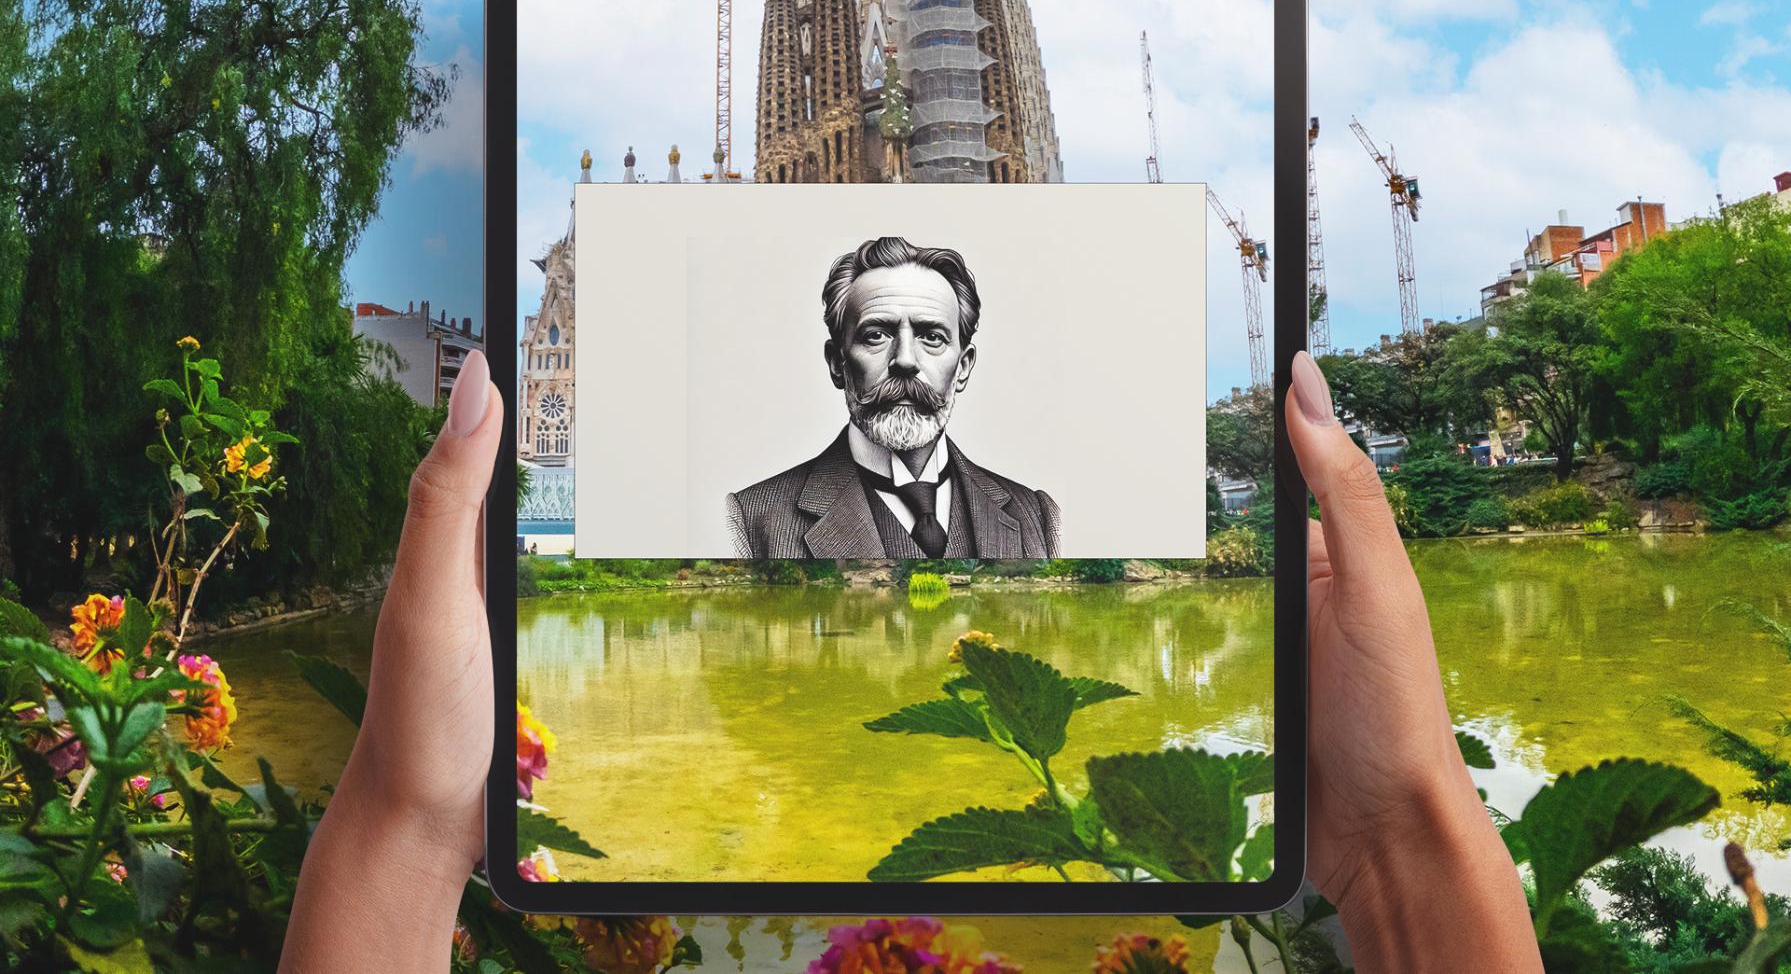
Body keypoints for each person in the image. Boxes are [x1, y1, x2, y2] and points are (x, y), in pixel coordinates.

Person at [279, 349, 1541, 972]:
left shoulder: (1035, 508)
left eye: (931, 339)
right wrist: (1402, 835)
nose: (903, 365)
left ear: (971, 364)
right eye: (872, 341)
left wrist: (411, 823)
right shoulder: (767, 509)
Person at [726, 235, 1059, 561]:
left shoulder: (1040, 519)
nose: (905, 360)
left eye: (931, 337)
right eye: (876, 335)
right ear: (837, 363)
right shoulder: (752, 521)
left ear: (963, 367)